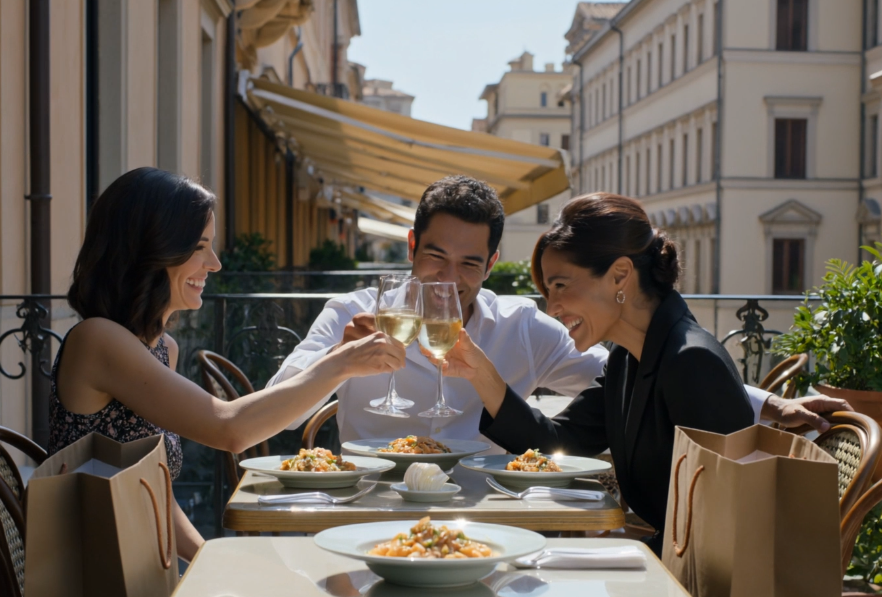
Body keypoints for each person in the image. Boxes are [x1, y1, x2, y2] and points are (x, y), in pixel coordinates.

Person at [437, 192, 848, 597]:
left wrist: (614, 558)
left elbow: (727, 536)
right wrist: (482, 375)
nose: (553, 307)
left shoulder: (691, 362)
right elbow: (559, 441)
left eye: (560, 286)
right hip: (661, 580)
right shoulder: (631, 359)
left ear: (620, 276)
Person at [53, 166, 403, 597]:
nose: (214, 263)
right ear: (151, 249)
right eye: (200, 247)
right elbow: (230, 428)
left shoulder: (159, 348)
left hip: (154, 587)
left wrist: (213, 559)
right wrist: (339, 364)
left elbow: (154, 495)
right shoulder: (97, 341)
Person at [269, 175, 848, 445]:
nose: (448, 279)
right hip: (368, 513)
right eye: (436, 257)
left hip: (491, 525)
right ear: (411, 248)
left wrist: (770, 404)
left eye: (468, 264)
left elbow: (639, 370)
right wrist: (338, 362)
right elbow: (279, 417)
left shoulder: (520, 326)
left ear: (492, 265)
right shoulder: (351, 312)